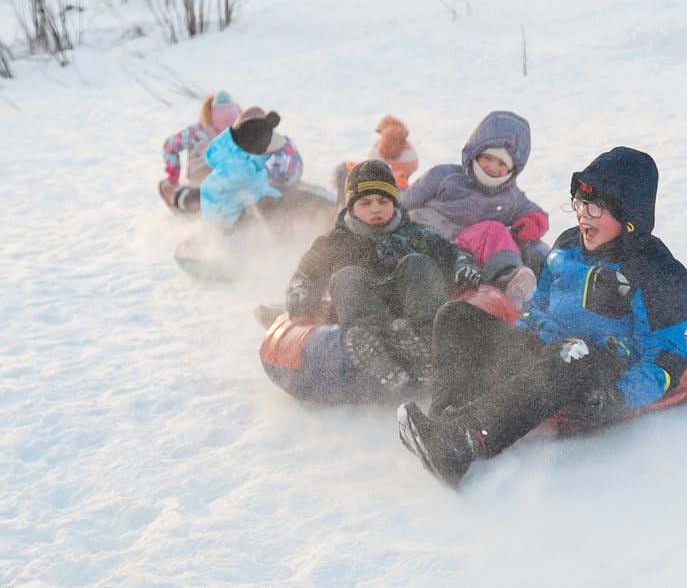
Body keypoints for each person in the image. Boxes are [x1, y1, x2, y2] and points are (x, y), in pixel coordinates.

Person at [397, 147, 687, 488]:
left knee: (572, 353)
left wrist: (620, 395)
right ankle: (448, 420)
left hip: (596, 369)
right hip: (545, 351)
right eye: (580, 204)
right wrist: (511, 347)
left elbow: (668, 359)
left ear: (629, 218)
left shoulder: (659, 275)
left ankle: (464, 441)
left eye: (595, 207)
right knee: (456, 317)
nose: (583, 215)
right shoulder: (568, 245)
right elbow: (539, 308)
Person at [285, 160, 482, 390]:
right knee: (346, 277)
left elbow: (454, 253)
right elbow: (306, 273)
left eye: (383, 201)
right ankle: (375, 352)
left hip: (414, 312)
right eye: (366, 203)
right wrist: (301, 290)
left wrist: (463, 265)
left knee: (417, 263)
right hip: (367, 314)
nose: (376, 209)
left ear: (395, 202)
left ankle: (426, 347)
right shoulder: (335, 242)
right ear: (350, 207)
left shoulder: (417, 234)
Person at [398, 110, 548, 308]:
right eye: (488, 158)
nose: (493, 167)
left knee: (536, 248)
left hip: (476, 263)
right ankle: (507, 277)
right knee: (494, 230)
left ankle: (535, 298)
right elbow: (404, 202)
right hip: (435, 244)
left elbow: (536, 215)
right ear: (475, 153)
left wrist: (529, 224)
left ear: (513, 169)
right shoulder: (445, 176)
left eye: (502, 163)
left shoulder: (511, 196)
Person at [160, 95, 305, 214]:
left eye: (231, 129)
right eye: (219, 129)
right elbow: (170, 145)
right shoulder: (196, 133)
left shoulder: (254, 143)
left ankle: (180, 198)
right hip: (204, 178)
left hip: (234, 187)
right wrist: (173, 176)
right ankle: (178, 197)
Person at [330, 115, 420, 206]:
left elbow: (380, 162)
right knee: (346, 168)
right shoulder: (407, 151)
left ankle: (344, 206)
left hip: (387, 184)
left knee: (344, 172)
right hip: (393, 183)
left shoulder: (389, 143)